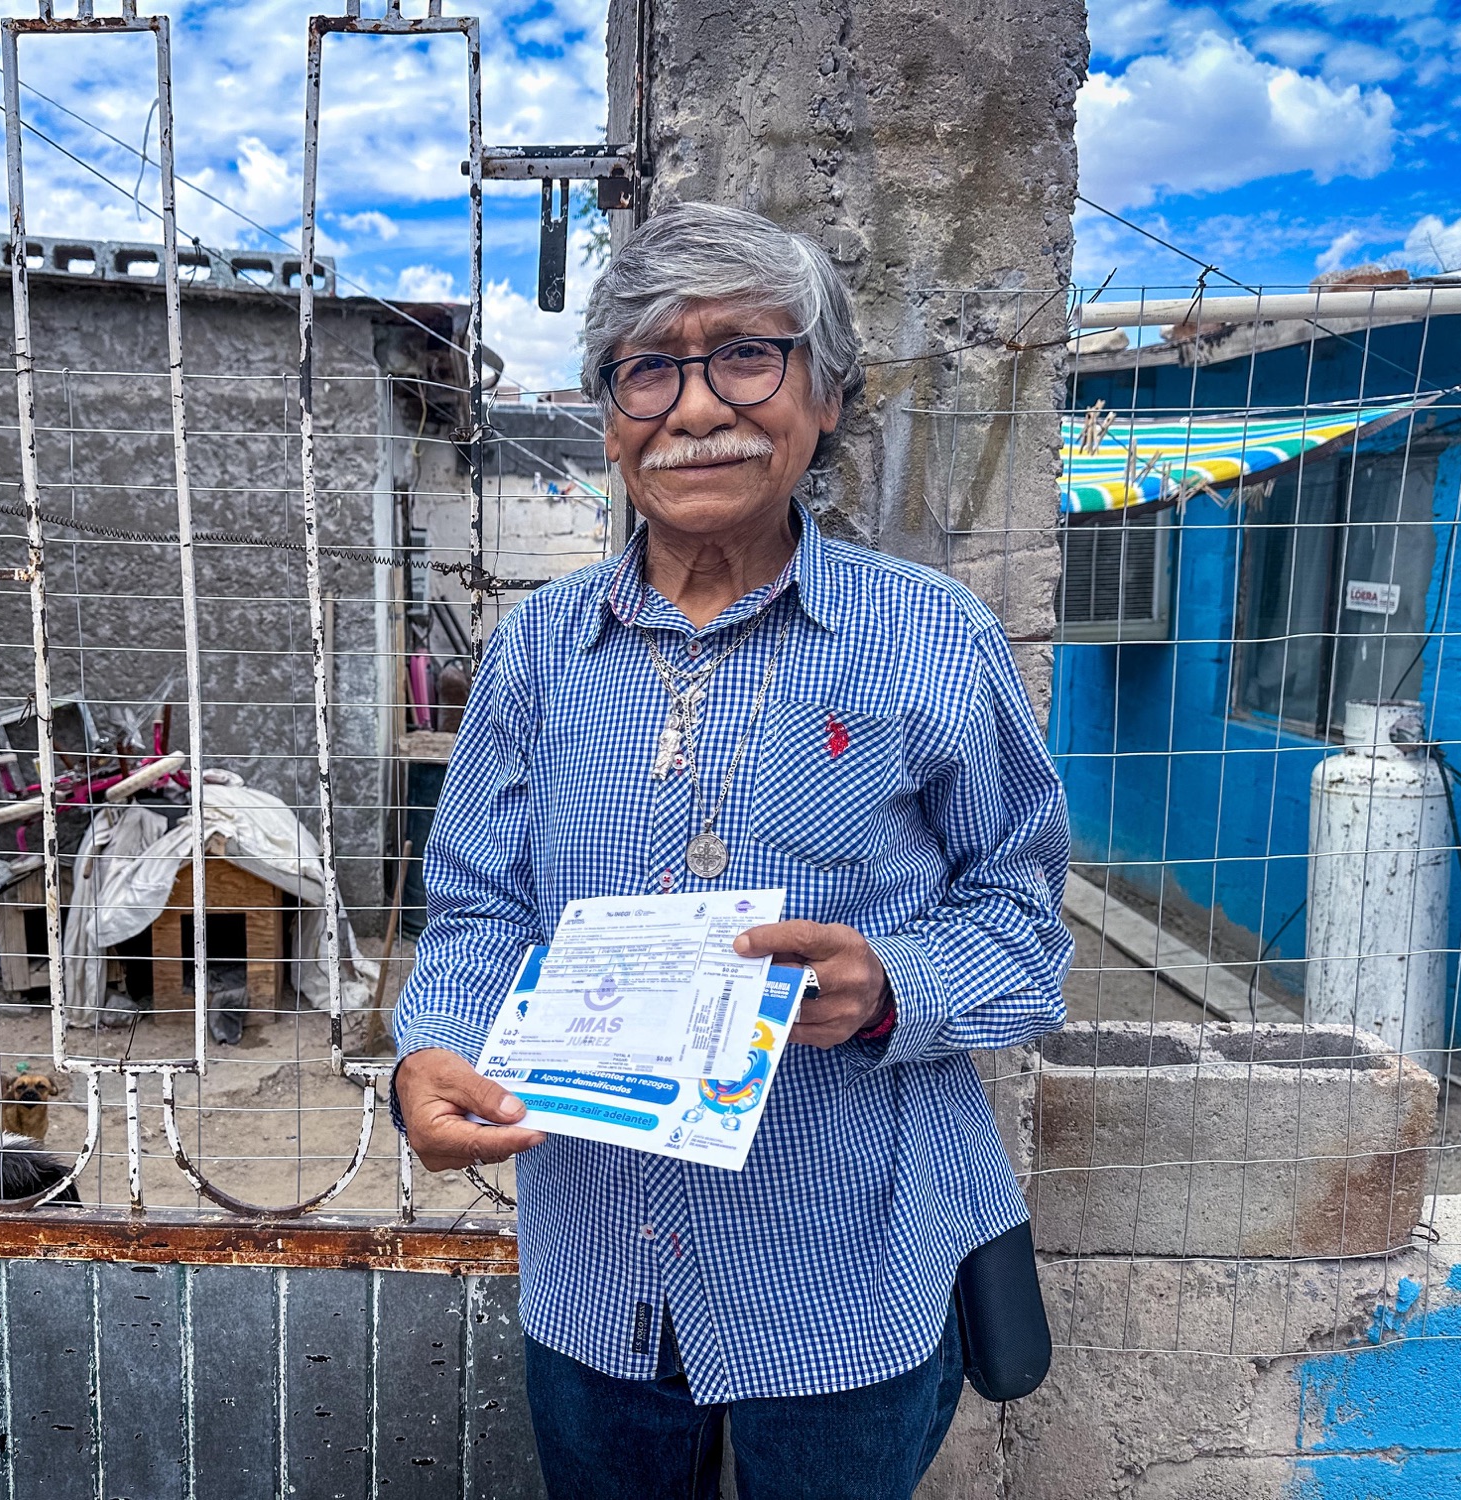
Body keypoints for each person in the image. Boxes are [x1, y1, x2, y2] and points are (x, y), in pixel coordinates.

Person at [390, 202, 1071, 1500]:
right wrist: (432, 1046)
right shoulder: (535, 654)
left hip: (844, 1276)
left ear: (824, 397)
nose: (696, 407)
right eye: (650, 367)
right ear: (608, 414)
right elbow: (477, 909)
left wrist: (891, 986)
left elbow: (1027, 932)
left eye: (748, 355)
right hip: (597, 1271)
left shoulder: (931, 639)